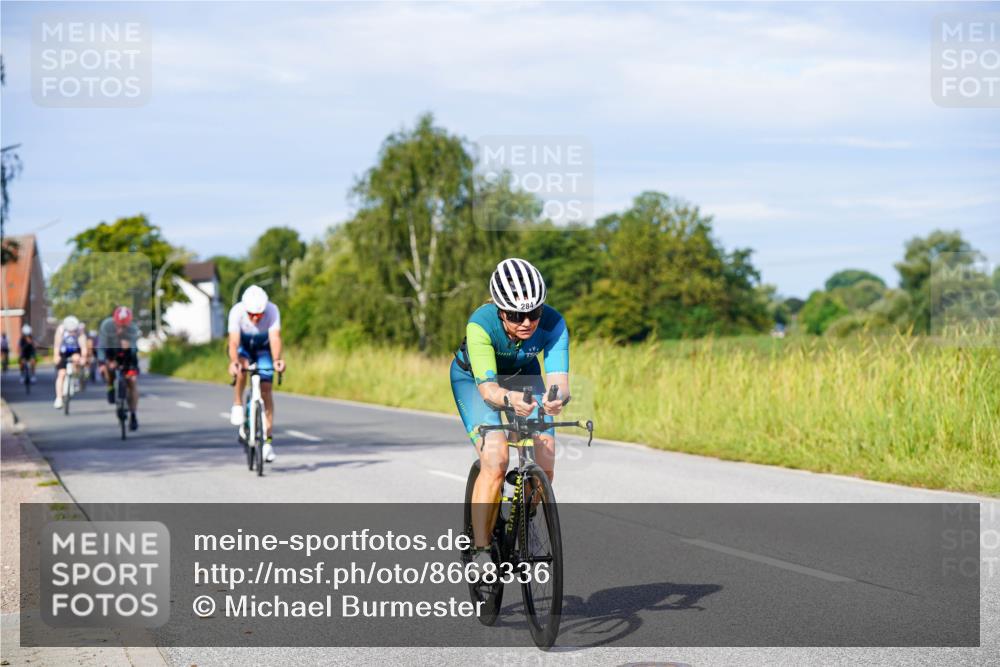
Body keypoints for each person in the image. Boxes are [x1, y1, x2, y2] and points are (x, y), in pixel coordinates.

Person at [450, 258, 570, 568]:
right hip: (475, 381)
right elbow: (489, 390)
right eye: (516, 315)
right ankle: (480, 549)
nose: (527, 322)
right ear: (500, 310)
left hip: (522, 376)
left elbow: (560, 384)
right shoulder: (480, 324)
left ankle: (524, 521)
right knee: (496, 458)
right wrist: (510, 400)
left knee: (546, 461)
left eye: (534, 313)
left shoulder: (554, 323)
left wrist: (556, 399)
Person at [227, 285, 285, 463]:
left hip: (263, 350)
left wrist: (277, 359)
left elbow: (275, 337)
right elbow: (233, 342)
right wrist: (234, 361)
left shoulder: (272, 310)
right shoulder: (237, 311)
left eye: (259, 315)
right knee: (242, 369)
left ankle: (267, 443)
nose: (255, 318)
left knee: (266, 389)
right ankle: (238, 403)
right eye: (251, 314)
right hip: (243, 349)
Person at [98, 306, 141, 430]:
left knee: (132, 381)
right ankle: (110, 387)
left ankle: (133, 415)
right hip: (111, 354)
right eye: (119, 325)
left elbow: (134, 350)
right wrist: (102, 363)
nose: (121, 328)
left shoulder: (133, 328)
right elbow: (101, 346)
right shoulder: (106, 326)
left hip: (127, 357)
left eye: (124, 325)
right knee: (108, 369)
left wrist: (129, 348)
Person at [53, 315, 85, 409]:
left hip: (75, 351)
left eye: (73, 331)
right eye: (70, 331)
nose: (71, 333)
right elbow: (57, 345)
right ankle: (59, 398)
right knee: (61, 374)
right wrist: (56, 356)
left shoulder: (80, 330)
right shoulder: (61, 330)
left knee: (76, 359)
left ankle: (75, 379)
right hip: (63, 352)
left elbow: (83, 346)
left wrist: (83, 357)